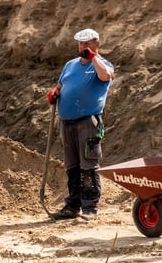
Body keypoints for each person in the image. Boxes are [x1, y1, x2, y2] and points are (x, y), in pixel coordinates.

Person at [46, 28, 114, 220]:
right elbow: (61, 85)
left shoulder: (102, 64)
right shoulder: (70, 65)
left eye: (87, 43)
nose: (83, 47)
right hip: (67, 122)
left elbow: (105, 76)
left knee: (88, 164)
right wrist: (54, 93)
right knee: (72, 165)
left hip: (88, 121)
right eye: (81, 43)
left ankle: (90, 207)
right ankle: (72, 205)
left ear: (96, 43)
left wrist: (93, 58)